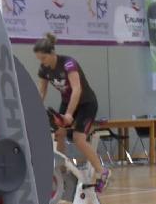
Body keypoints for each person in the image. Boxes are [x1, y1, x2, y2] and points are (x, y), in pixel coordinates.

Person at [34, 33, 109, 192]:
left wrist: (69, 114)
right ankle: (62, 172)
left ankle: (102, 171)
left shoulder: (68, 64)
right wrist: (33, 110)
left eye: (43, 58)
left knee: (78, 138)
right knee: (58, 133)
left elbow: (77, 90)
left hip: (86, 103)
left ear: (52, 53)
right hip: (68, 102)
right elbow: (41, 92)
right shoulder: (44, 69)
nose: (42, 62)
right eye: (39, 59)